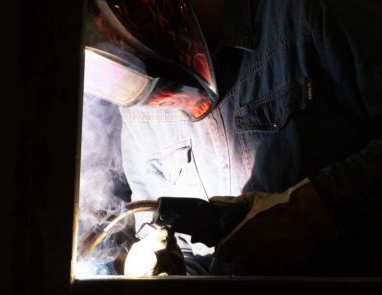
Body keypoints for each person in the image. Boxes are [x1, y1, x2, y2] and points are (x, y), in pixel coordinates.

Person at [82, 0, 382, 276]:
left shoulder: (312, 13)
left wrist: (312, 209)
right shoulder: (140, 105)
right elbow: (190, 255)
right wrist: (169, 269)